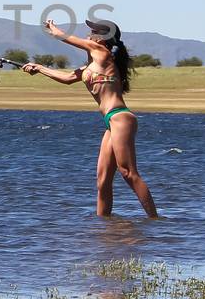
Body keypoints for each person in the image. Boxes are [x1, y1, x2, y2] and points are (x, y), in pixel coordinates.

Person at [23, 17, 159, 218]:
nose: (89, 34)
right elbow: (67, 78)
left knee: (128, 172)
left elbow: (63, 37)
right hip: (110, 123)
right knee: (103, 181)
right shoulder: (91, 65)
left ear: (102, 39)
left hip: (121, 118)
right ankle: (103, 224)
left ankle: (155, 219)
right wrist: (40, 68)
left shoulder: (101, 52)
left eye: (93, 32)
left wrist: (53, 29)